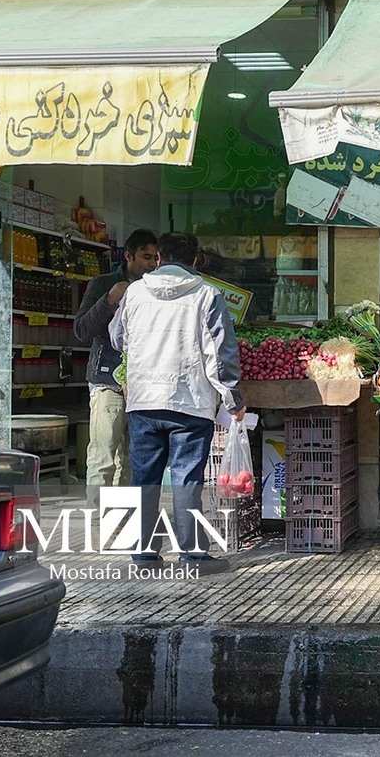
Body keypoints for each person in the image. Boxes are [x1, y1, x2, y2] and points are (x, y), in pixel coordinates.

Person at [110, 232, 245, 575]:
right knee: (187, 479)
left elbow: (117, 337)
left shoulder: (135, 291)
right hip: (188, 400)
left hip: (142, 400)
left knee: (145, 478)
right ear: (196, 259)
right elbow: (219, 355)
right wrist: (233, 399)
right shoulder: (206, 294)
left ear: (159, 258)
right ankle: (193, 555)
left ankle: (144, 554)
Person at [73, 229, 158, 499]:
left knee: (133, 459)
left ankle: (123, 519)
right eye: (147, 257)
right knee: (103, 456)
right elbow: (81, 330)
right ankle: (97, 523)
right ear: (128, 256)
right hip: (107, 381)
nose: (153, 264)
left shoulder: (157, 289)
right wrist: (109, 300)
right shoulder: (103, 283)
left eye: (156, 258)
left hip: (144, 385)